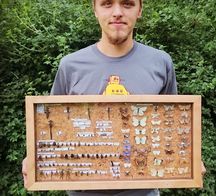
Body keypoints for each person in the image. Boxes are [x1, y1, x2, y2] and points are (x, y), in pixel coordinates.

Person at [22, 0, 205, 195]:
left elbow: (173, 128)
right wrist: (36, 159)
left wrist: (189, 160)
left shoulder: (161, 62)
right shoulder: (70, 65)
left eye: (127, 4)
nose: (117, 12)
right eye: (107, 4)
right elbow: (51, 127)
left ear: (140, 9)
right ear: (95, 9)